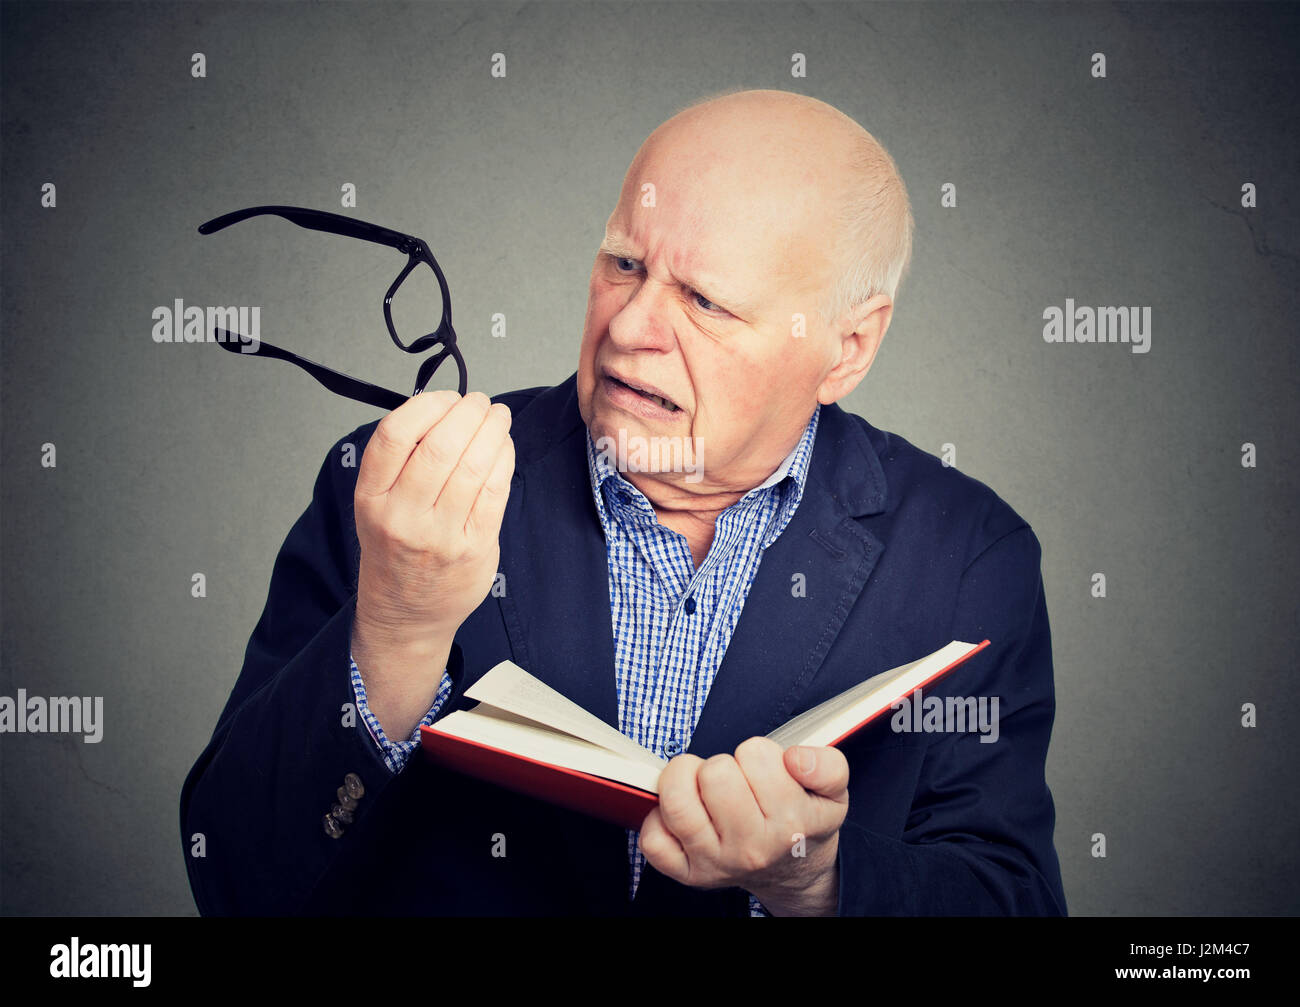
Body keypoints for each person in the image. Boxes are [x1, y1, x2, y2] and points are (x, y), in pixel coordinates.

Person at [180, 88, 1067, 916]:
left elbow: (1009, 895)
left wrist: (816, 879)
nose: (632, 326)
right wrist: (398, 628)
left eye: (706, 300)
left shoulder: (968, 555)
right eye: (624, 263)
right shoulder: (396, 488)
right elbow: (231, 873)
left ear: (846, 347)